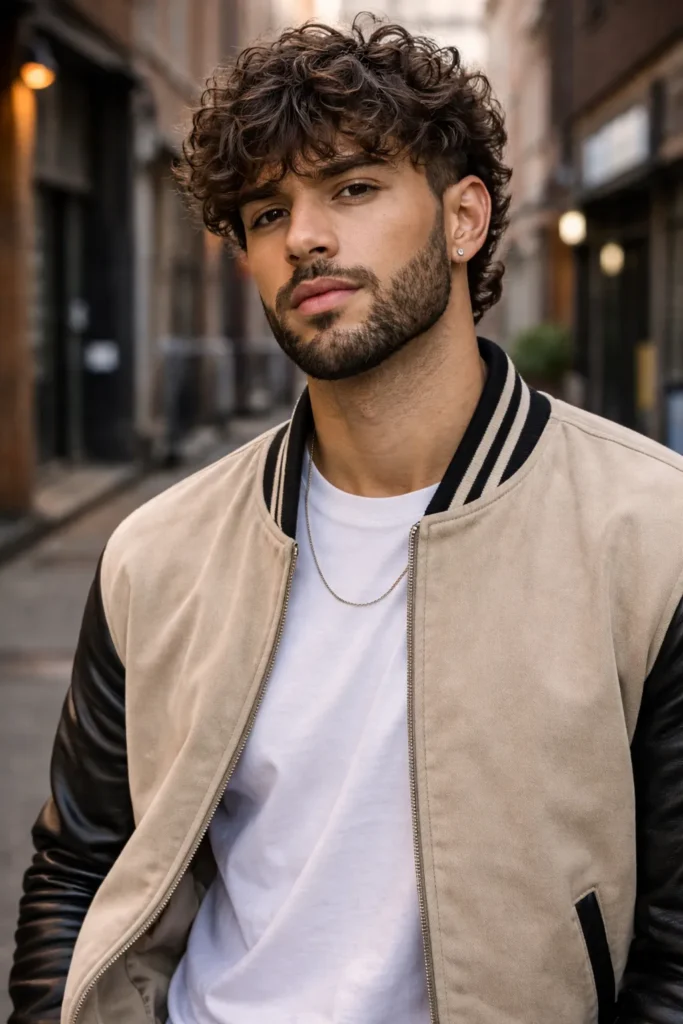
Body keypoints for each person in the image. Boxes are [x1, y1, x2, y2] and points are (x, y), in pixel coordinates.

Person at [9, 16, 683, 1024]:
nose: (305, 235)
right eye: (266, 210)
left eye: (353, 188)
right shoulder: (158, 551)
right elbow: (77, 867)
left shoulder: (650, 532)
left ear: (462, 219)